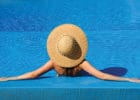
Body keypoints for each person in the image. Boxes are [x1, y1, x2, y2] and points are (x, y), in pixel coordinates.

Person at [0, 24, 140, 83]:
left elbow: (34, 74)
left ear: (58, 50)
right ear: (76, 48)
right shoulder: (82, 63)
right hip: (76, 72)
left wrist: (10, 78)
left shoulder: (54, 63)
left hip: (60, 73)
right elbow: (101, 75)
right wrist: (128, 79)